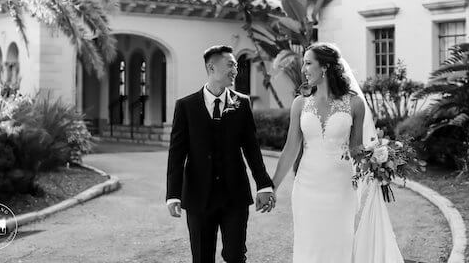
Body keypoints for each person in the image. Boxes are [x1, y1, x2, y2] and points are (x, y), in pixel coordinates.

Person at [271, 42, 404, 263]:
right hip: (306, 188)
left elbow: (355, 149)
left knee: (339, 247)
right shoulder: (300, 104)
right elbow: (290, 150)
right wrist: (271, 187)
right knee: (308, 246)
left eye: (308, 63)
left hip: (341, 188)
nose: (303, 69)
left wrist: (379, 160)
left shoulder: (354, 104)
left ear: (324, 67)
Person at [166, 45, 276, 263]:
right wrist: (173, 194)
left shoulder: (242, 103)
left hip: (234, 195)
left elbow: (252, 149)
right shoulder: (186, 106)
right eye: (230, 65)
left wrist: (264, 185)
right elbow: (176, 155)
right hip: (198, 197)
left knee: (235, 256)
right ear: (211, 67)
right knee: (202, 257)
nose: (235, 69)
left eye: (236, 65)